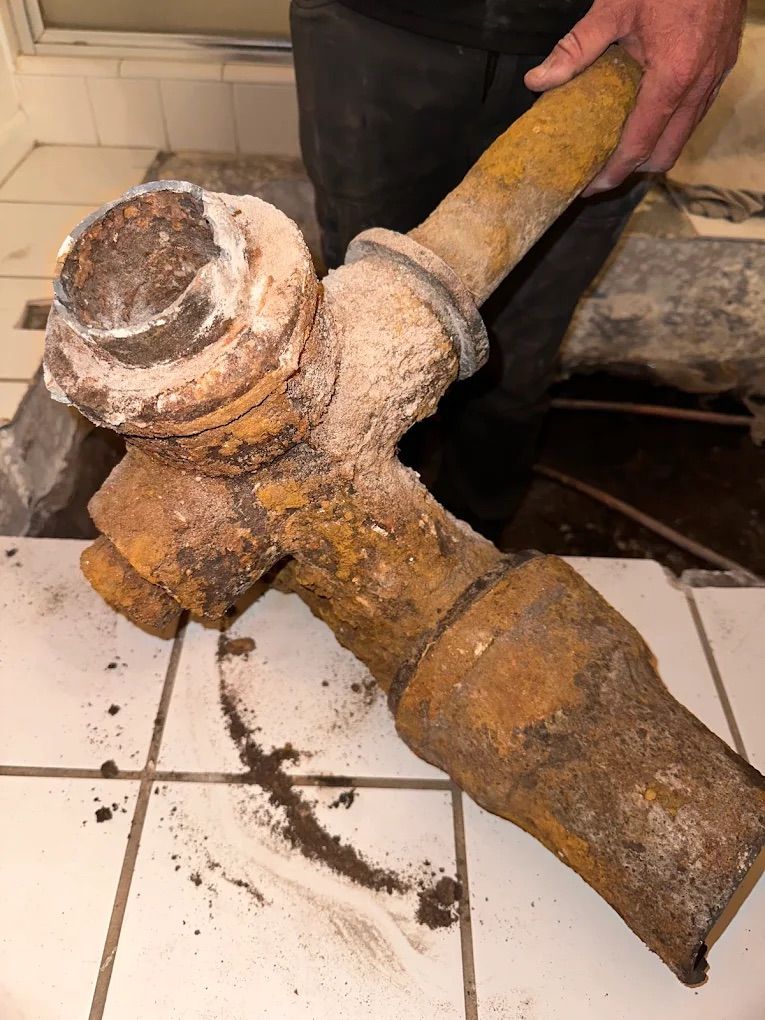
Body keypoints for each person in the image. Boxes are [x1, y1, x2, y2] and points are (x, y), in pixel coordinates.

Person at [290, 0, 745, 538]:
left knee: (516, 358)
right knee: (361, 352)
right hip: (373, 22)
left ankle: (478, 528)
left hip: (609, 40)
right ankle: (370, 523)